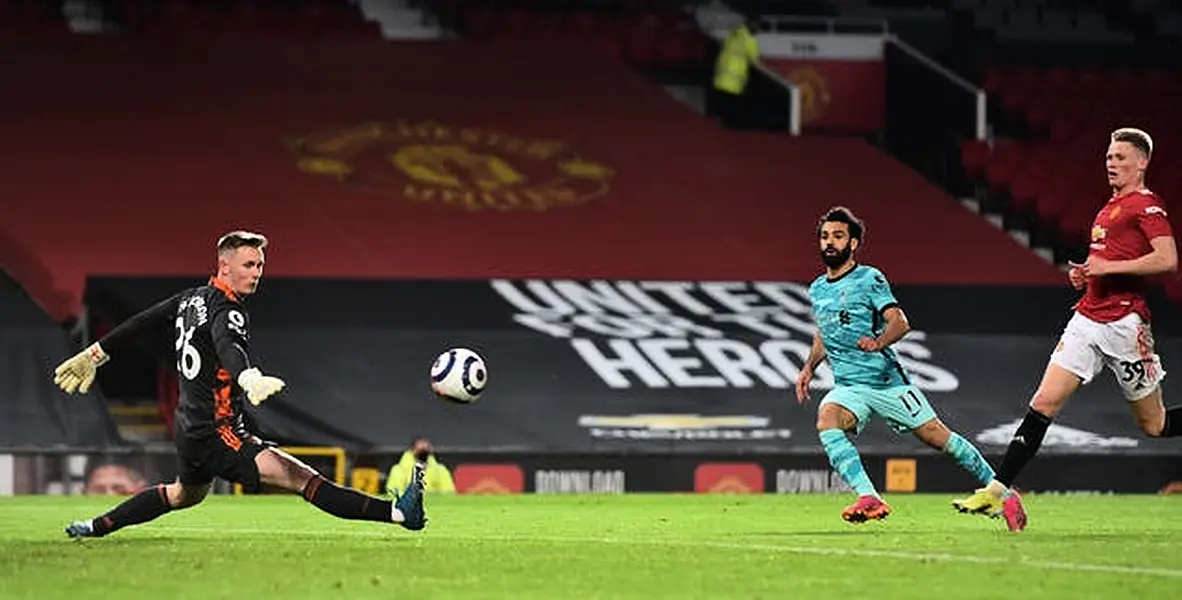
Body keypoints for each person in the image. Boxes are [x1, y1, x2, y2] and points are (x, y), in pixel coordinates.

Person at [54, 230, 427, 538]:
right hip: (218, 432)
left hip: (190, 428)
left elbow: (141, 322)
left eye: (260, 265)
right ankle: (397, 513)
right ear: (224, 266)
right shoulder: (227, 308)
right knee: (303, 479)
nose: (257, 272)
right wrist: (248, 377)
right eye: (248, 265)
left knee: (183, 494)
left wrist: (94, 353)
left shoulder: (190, 300)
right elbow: (227, 345)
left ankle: (95, 526)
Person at [954, 127, 1180, 530]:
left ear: (1142, 162)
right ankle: (997, 490)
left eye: (1121, 157)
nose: (1111, 163)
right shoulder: (1107, 208)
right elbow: (1107, 263)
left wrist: (1109, 268)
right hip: (1087, 319)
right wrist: (1088, 277)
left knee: (1155, 425)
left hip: (1125, 326)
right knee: (1043, 403)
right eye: (1109, 157)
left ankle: (998, 489)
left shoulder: (1147, 206)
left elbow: (1167, 259)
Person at [796, 207, 1019, 525]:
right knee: (827, 419)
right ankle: (869, 497)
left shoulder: (869, 278)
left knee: (937, 437)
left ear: (854, 243)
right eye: (825, 236)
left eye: (838, 236)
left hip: (887, 382)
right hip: (848, 386)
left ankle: (1004, 494)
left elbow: (900, 322)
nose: (829, 242)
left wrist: (878, 343)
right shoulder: (818, 288)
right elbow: (824, 332)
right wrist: (809, 368)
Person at [386, 436, 456, 497]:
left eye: (426, 448)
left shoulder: (440, 469)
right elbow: (393, 492)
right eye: (420, 449)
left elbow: (449, 492)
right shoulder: (398, 469)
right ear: (412, 450)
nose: (424, 450)